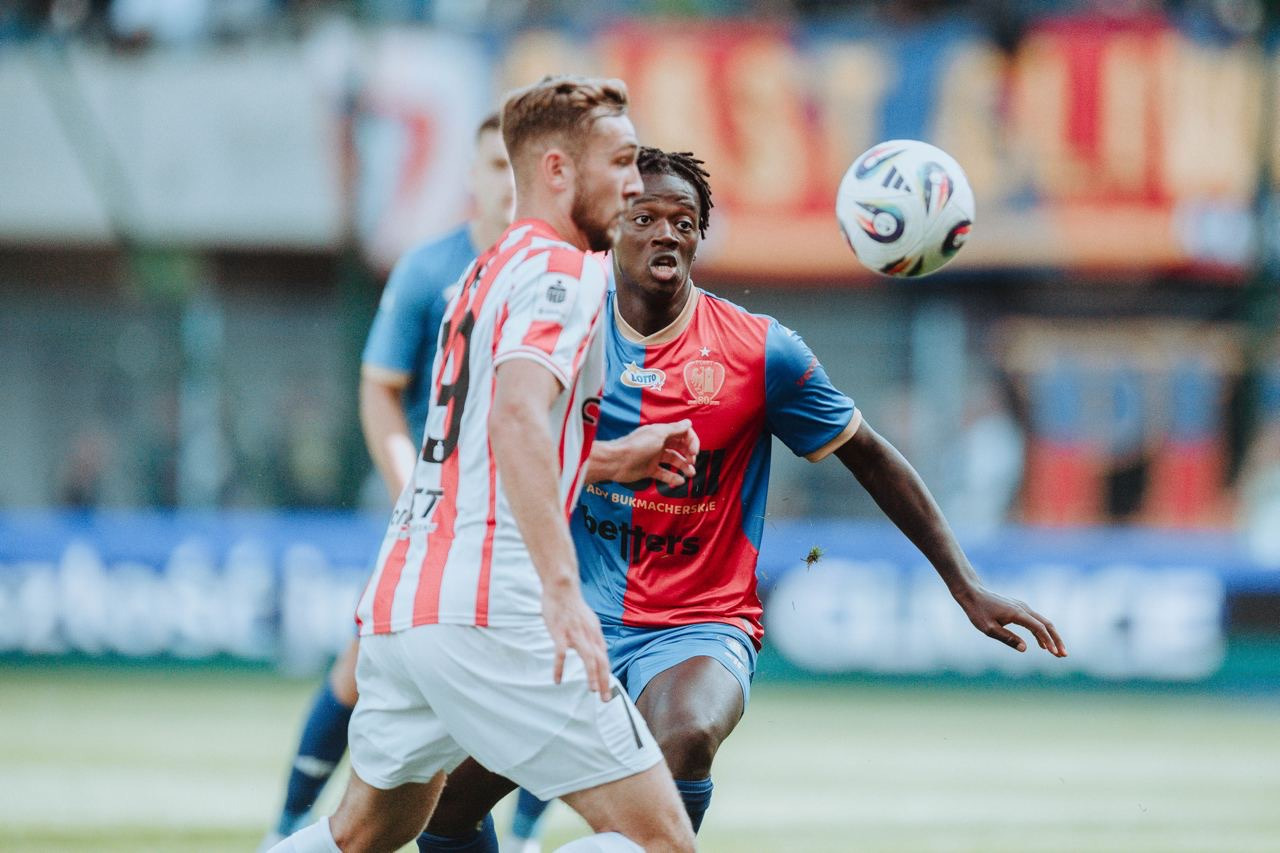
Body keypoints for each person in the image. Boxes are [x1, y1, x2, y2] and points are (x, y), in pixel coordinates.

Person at [417, 146, 1068, 848]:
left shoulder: (761, 352)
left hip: (699, 622)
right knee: (440, 805)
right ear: (611, 228)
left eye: (684, 221)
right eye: (645, 217)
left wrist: (966, 585)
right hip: (567, 613)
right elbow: (491, 453)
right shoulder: (559, 331)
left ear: (700, 237)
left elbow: (873, 459)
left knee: (688, 732)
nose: (667, 233)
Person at [268, 76, 699, 853]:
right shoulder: (566, 273)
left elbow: (485, 448)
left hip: (403, 602)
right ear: (558, 169)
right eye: (621, 162)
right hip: (493, 609)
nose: (636, 183)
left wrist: (609, 459)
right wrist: (562, 588)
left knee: (365, 830)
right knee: (660, 840)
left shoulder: (483, 271)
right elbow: (513, 418)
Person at [259, 112, 515, 853]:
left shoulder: (563, 270)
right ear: (471, 175)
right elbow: (380, 387)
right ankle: (286, 825)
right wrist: (411, 482)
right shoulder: (431, 269)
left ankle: (514, 827)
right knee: (364, 666)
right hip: (438, 510)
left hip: (520, 517)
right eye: (494, 165)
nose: (509, 181)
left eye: (519, 165)